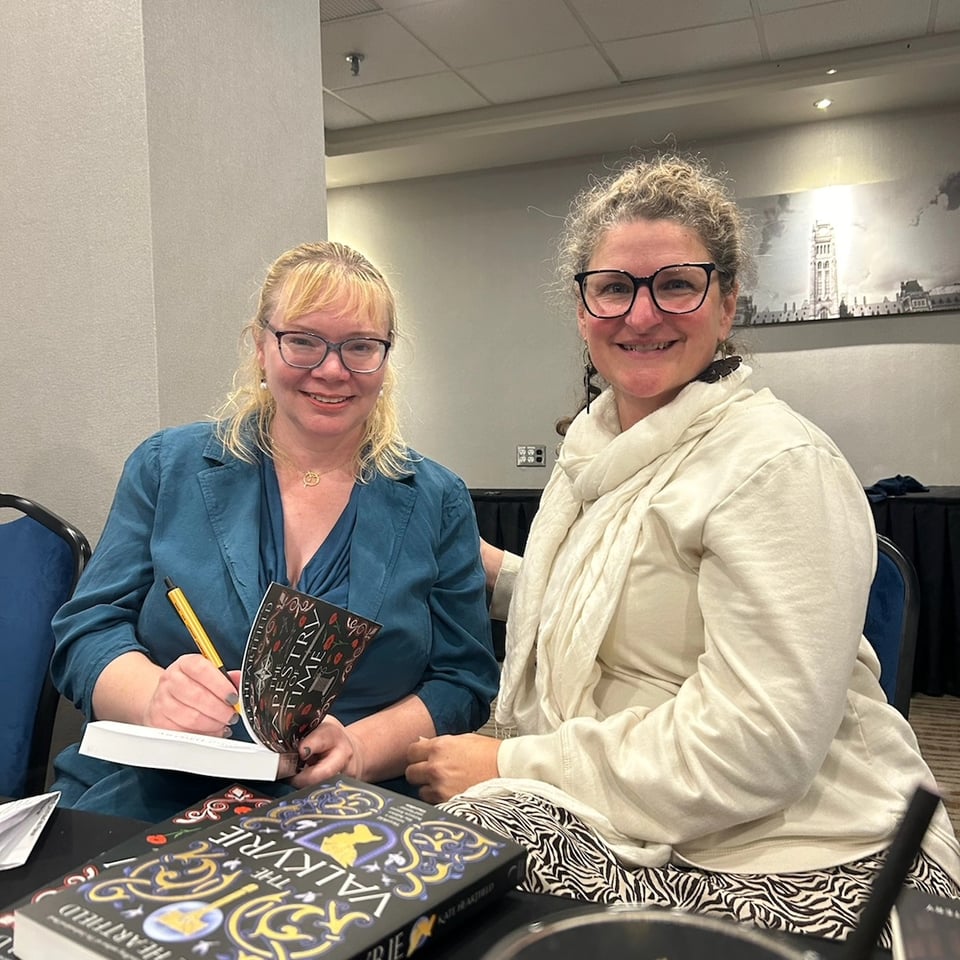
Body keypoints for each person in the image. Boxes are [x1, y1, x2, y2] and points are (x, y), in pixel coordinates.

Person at [405, 155, 960, 946]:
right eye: (614, 287)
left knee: (451, 880)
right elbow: (628, 602)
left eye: (676, 284)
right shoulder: (597, 448)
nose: (640, 314)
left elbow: (756, 744)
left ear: (727, 302)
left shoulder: (775, 463)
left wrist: (514, 766)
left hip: (796, 844)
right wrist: (493, 574)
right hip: (643, 813)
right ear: (582, 307)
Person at [51, 240, 499, 821]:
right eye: (304, 341)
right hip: (149, 794)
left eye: (360, 346)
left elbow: (463, 680)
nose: (332, 369)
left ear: (385, 360)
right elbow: (87, 631)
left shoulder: (437, 499)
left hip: (349, 812)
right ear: (261, 347)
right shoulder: (168, 468)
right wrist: (152, 697)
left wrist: (361, 749)